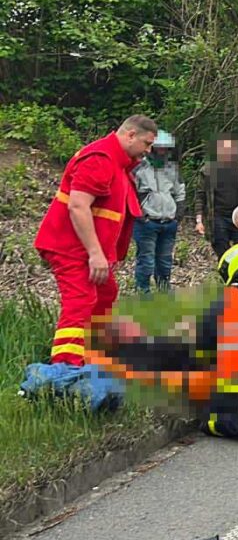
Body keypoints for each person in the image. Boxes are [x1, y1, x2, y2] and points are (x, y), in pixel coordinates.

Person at [98, 245, 238, 445]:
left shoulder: (222, 300)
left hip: (237, 385)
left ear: (229, 271)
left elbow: (201, 345)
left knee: (211, 421)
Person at [34, 115, 157, 366]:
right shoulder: (101, 158)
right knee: (80, 300)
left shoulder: (120, 165)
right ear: (130, 135)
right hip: (69, 246)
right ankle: (66, 368)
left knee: (106, 292)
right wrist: (95, 254)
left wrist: (109, 256)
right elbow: (78, 207)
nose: (148, 150)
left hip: (86, 249)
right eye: (147, 143)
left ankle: (93, 354)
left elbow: (110, 218)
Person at [131, 130, 186, 293]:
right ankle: (143, 291)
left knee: (165, 260)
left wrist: (178, 214)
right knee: (146, 260)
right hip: (147, 222)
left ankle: (163, 289)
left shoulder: (172, 169)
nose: (162, 151)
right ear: (152, 148)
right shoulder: (139, 168)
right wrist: (141, 215)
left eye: (165, 148)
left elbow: (180, 191)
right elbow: (131, 193)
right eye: (159, 148)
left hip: (169, 222)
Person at [195, 135, 238, 257]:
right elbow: (200, 195)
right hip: (218, 216)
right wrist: (199, 220)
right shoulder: (207, 171)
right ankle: (226, 273)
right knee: (221, 249)